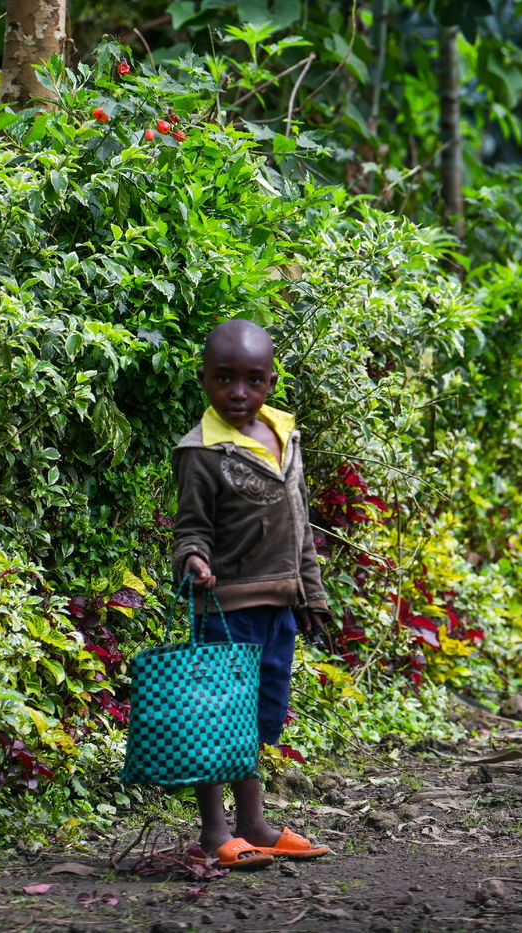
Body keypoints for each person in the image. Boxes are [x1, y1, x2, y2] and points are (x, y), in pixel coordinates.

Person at [172, 318, 335, 867]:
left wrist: (310, 595)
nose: (238, 392)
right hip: (226, 608)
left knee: (255, 719)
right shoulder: (200, 452)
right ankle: (215, 833)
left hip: (277, 607)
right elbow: (191, 528)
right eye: (224, 378)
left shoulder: (285, 436)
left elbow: (299, 522)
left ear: (270, 382)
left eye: (253, 380)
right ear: (204, 380)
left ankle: (254, 824)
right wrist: (194, 560)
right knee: (217, 719)